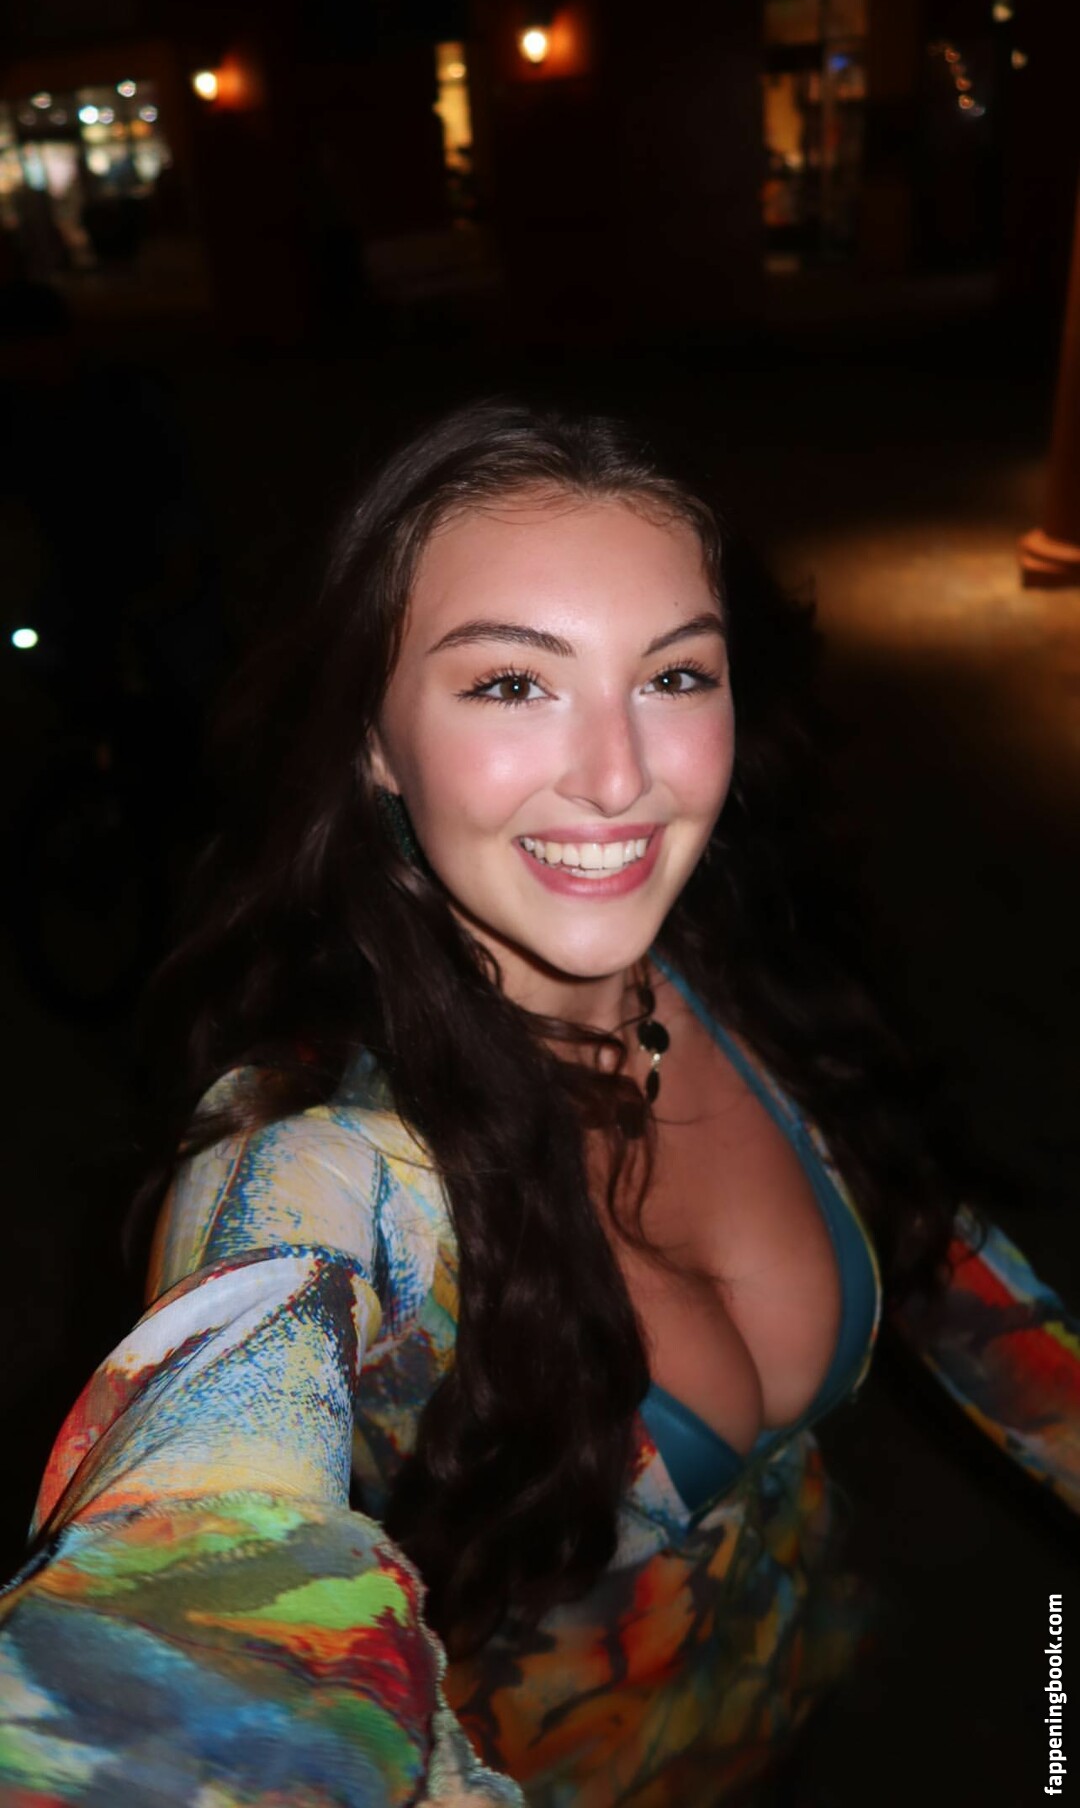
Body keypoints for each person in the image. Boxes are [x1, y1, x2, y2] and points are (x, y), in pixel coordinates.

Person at [1, 402, 1077, 1807]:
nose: (621, 778)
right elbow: (163, 1660)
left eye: (674, 676)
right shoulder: (319, 1164)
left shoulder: (743, 964)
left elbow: (963, 1277)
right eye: (512, 683)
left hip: (797, 1689)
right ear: (374, 741)